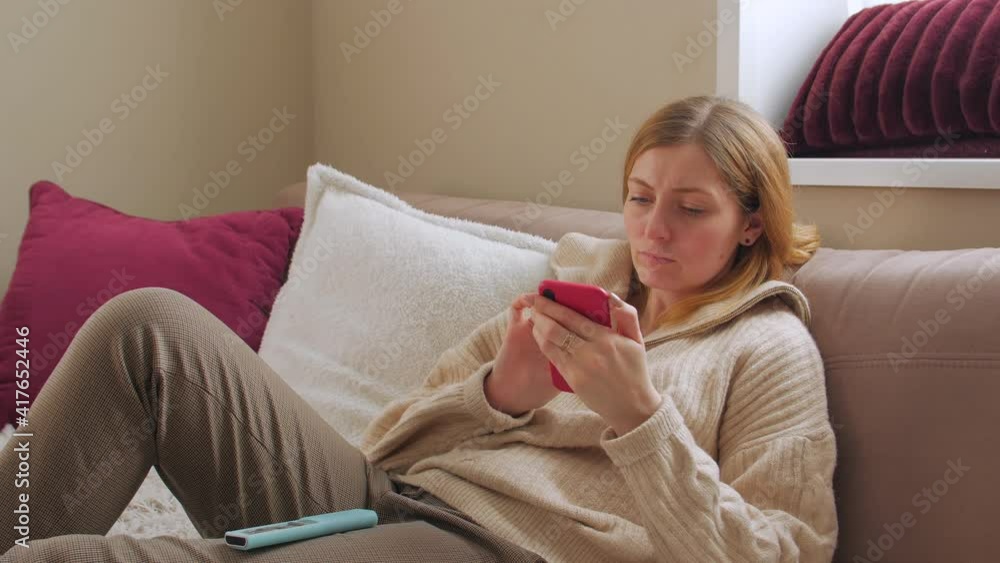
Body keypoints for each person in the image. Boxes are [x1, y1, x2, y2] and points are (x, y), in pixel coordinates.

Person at [0, 95, 837, 562]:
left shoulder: (767, 350)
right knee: (146, 327)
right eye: (640, 197)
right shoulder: (571, 295)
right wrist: (495, 394)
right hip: (387, 499)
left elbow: (782, 554)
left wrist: (641, 421)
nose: (654, 229)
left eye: (691, 209)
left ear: (750, 223)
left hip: (493, 548)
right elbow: (386, 444)